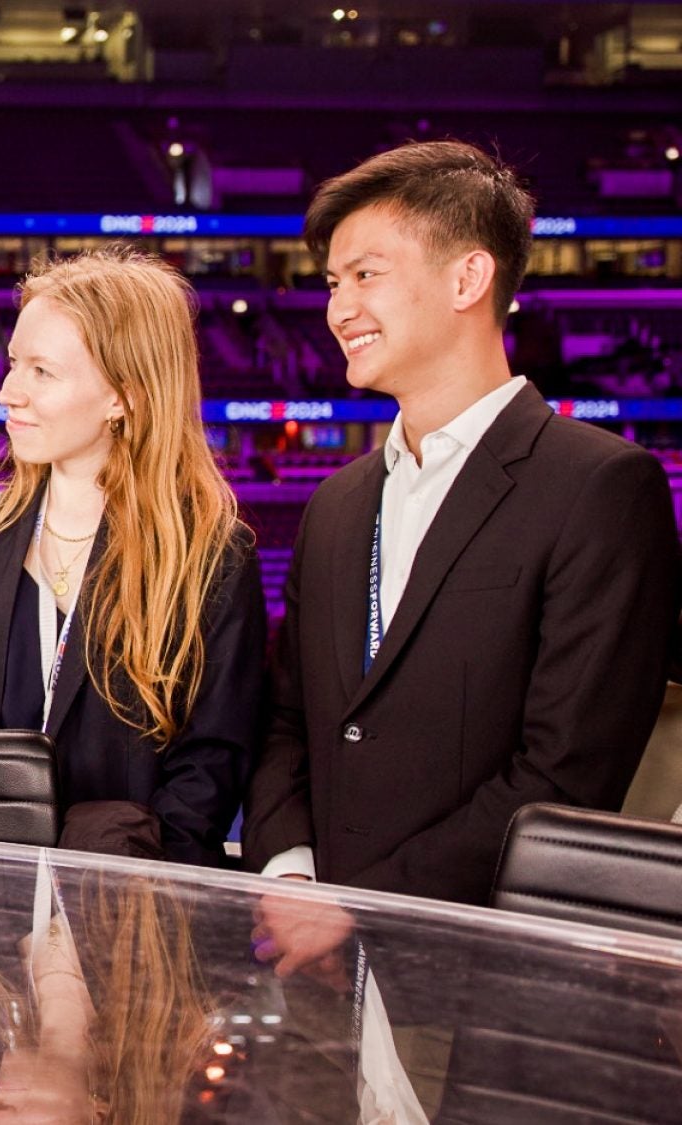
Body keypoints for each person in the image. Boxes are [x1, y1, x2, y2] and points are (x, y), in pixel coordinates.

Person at [244, 140, 679, 912]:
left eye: (366, 276)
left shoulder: (600, 486)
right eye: (333, 283)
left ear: (468, 277)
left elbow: (566, 774)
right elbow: (289, 722)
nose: (338, 308)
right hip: (313, 957)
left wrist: (364, 908)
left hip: (477, 962)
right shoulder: (337, 502)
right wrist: (290, 869)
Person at [0, 250, 266, 866]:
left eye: (42, 371)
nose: (7, 391)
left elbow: (210, 766)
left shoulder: (210, 553)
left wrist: (107, 906)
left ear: (123, 396)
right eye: (14, 362)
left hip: (135, 914)